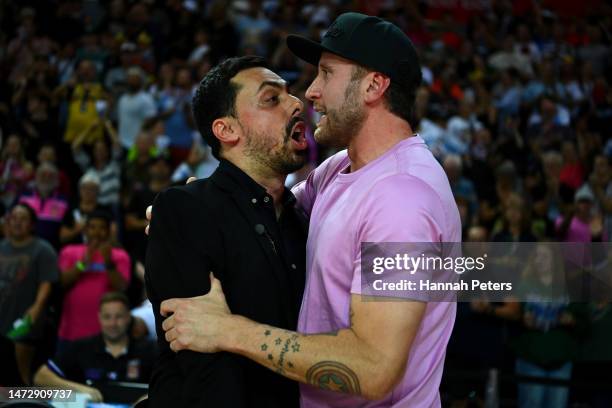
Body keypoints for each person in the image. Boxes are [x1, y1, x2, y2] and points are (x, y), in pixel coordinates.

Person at [158, 13, 461, 408]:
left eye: (326, 74)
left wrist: (228, 331)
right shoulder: (339, 169)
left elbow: (373, 371)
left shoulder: (401, 198)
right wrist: (191, 208)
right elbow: (264, 206)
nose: (311, 93)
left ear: (373, 85)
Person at [145, 55, 309, 407]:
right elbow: (203, 366)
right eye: (272, 98)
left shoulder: (305, 215)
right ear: (227, 130)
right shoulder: (186, 208)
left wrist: (230, 331)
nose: (300, 102)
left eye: (289, 94)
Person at [33, 292, 157, 402]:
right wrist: (79, 390)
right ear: (99, 317)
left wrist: (148, 398)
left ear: (128, 318)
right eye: (107, 317)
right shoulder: (81, 348)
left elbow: (171, 384)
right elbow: (41, 377)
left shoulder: (148, 350)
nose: (113, 323)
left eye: (119, 316)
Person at [0, 203, 58, 385]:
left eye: (23, 218)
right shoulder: (1, 246)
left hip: (23, 321)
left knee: (20, 375)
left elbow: (46, 284)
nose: (17, 222)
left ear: (32, 224)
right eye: (14, 218)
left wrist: (36, 309)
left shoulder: (42, 249)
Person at [57, 210, 130, 345]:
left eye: (102, 228)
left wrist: (108, 262)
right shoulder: (69, 251)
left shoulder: (120, 255)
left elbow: (121, 287)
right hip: (71, 331)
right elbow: (61, 283)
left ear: (109, 232)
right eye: (92, 227)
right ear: (85, 230)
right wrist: (82, 264)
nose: (97, 232)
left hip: (107, 333)